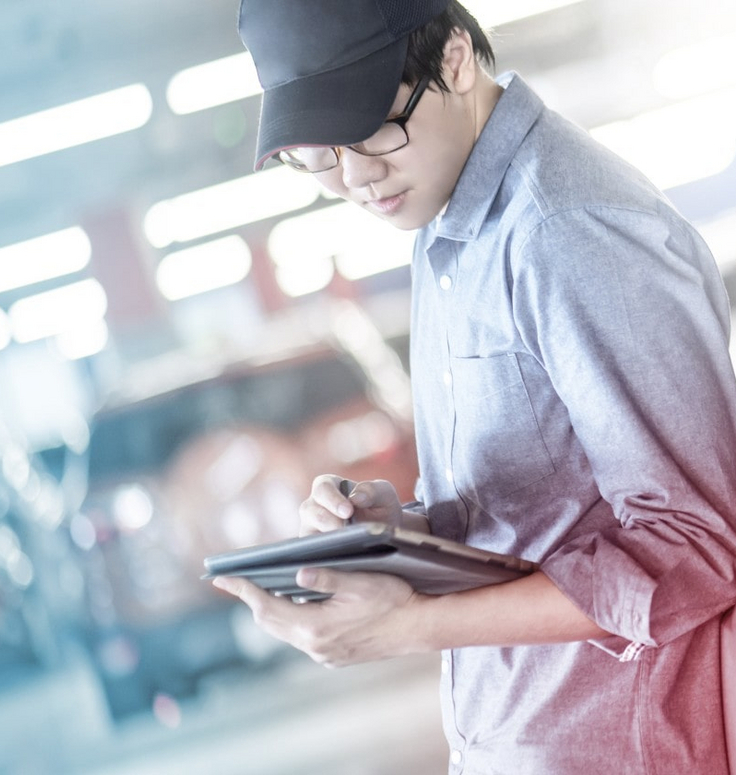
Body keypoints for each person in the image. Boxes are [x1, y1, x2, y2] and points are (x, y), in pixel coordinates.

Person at [213, 1, 736, 772]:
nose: (355, 176)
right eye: (319, 154)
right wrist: (407, 527)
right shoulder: (445, 226)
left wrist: (409, 626)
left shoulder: (566, 227)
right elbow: (543, 510)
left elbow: (699, 545)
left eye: (371, 130)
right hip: (518, 733)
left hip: (624, 744)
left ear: (454, 60)